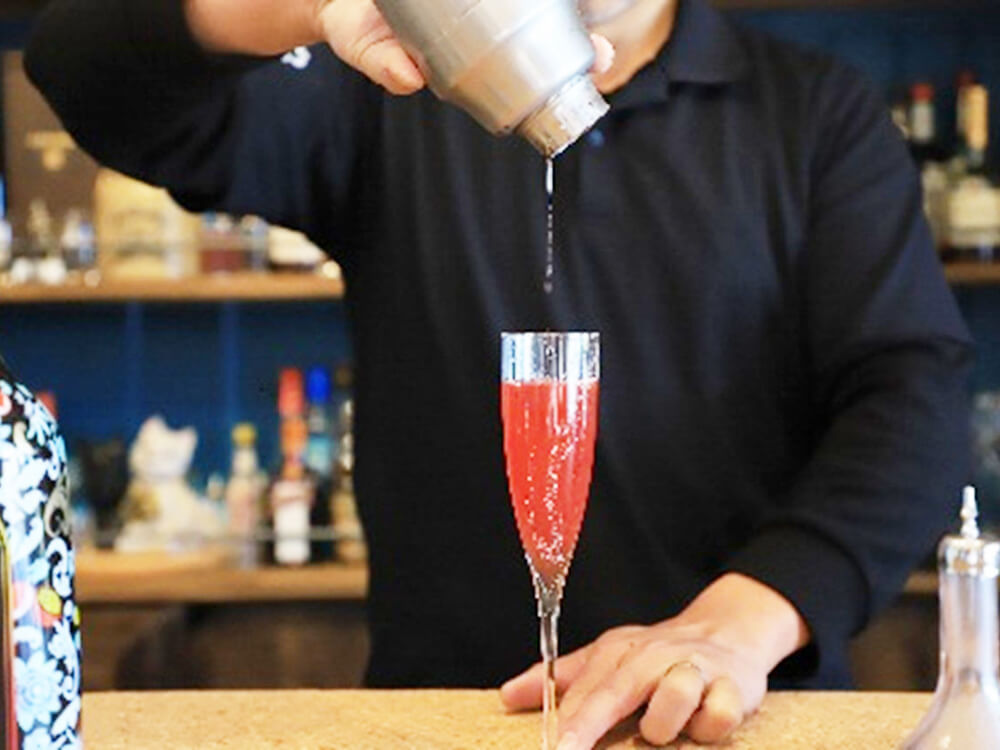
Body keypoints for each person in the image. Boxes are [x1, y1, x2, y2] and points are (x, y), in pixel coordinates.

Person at [26, 0, 972, 747]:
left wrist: (742, 622)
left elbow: (913, 401)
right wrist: (313, 4)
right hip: (455, 718)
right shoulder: (389, 88)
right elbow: (82, 69)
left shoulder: (814, 111)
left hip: (731, 718)